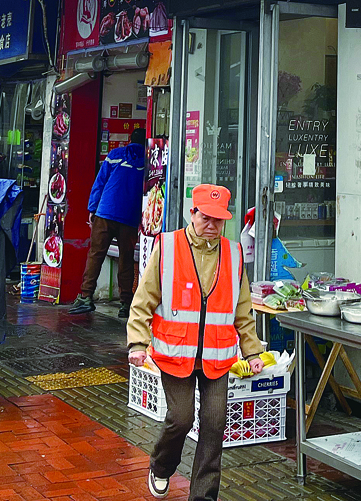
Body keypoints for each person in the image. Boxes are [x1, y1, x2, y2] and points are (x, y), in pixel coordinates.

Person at [126, 185, 265, 501]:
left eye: (219, 220)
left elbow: (242, 309)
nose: (212, 225)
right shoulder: (168, 247)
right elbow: (143, 300)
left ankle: (203, 496)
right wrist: (137, 343)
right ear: (193, 213)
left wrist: (252, 351)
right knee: (181, 418)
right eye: (206, 217)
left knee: (215, 425)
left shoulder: (233, 254)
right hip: (176, 353)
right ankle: (162, 466)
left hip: (218, 356)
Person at [69, 127, 147, 316]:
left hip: (105, 212)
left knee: (96, 254)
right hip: (129, 217)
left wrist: (92, 208)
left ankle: (86, 297)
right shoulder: (148, 162)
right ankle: (126, 304)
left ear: (130, 140)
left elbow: (100, 182)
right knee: (126, 258)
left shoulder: (115, 155)